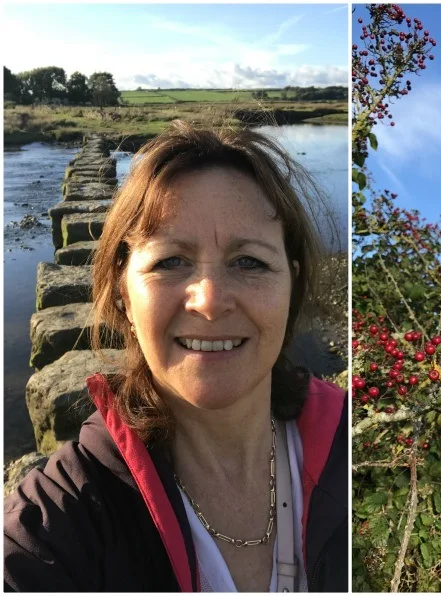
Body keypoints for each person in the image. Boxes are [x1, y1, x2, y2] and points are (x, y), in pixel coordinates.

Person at [4, 120, 348, 592]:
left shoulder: (352, 450)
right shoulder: (56, 521)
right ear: (123, 292)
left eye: (249, 262)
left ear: (291, 284)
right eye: (170, 261)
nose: (208, 300)